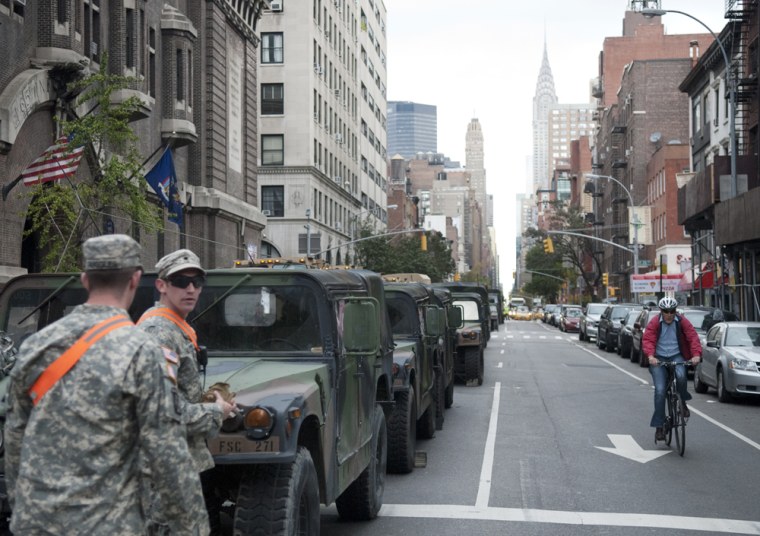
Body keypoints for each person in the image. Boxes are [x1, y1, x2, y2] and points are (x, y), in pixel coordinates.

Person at [4, 234, 208, 535]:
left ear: (86, 280)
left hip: (37, 522)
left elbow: (15, 440)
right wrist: (193, 527)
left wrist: (25, 507)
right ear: (135, 280)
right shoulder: (142, 351)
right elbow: (167, 453)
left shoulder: (36, 346)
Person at [137, 248, 235, 535]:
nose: (190, 289)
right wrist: (216, 411)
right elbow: (162, 412)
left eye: (197, 282)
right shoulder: (159, 331)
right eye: (180, 281)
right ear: (161, 285)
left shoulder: (175, 327)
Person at [642, 296, 702, 442]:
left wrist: (696, 355)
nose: (669, 314)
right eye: (666, 311)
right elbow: (648, 340)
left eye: (672, 311)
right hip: (659, 359)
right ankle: (659, 427)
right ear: (661, 311)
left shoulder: (682, 322)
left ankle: (682, 402)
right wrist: (650, 356)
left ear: (676, 311)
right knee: (660, 391)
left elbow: (693, 338)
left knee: (681, 376)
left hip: (676, 356)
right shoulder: (655, 323)